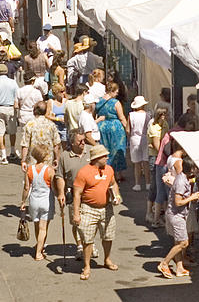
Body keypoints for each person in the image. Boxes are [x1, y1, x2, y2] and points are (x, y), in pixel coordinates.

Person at [72, 145, 122, 280]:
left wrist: (116, 196)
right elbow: (77, 194)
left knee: (108, 236)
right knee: (87, 239)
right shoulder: (83, 172)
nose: (107, 158)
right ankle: (87, 265)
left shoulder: (109, 170)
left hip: (106, 208)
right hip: (88, 208)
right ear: (96, 158)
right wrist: (76, 214)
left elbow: (113, 184)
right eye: (104, 156)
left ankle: (107, 259)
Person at [158, 158, 199, 279]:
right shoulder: (181, 181)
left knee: (177, 242)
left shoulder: (183, 177)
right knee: (183, 243)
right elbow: (178, 202)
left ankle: (180, 268)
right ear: (191, 169)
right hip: (177, 216)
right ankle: (164, 263)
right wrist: (191, 198)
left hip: (176, 215)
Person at [54, 129, 92, 259]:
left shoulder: (91, 151)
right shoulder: (65, 156)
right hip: (73, 193)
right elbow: (60, 176)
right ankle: (80, 246)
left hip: (90, 193)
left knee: (92, 222)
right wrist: (61, 194)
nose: (83, 143)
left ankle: (90, 244)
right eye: (80, 141)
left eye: (84, 140)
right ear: (72, 143)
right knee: (77, 221)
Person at [19, 144, 57, 261]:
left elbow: (26, 187)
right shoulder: (50, 170)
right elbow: (54, 188)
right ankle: (39, 252)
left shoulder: (30, 169)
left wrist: (23, 201)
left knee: (37, 225)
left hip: (34, 200)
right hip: (46, 200)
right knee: (43, 228)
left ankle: (39, 246)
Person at [20, 99, 61, 171]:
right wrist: (57, 159)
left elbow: (25, 144)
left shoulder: (30, 125)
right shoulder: (51, 125)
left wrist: (23, 160)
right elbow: (56, 144)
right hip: (48, 161)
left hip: (32, 161)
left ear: (35, 111)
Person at [96, 82, 128, 174]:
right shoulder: (116, 102)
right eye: (116, 92)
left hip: (102, 126)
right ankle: (117, 173)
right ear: (112, 91)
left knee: (105, 149)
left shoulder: (99, 101)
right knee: (117, 149)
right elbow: (121, 117)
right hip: (115, 127)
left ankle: (105, 170)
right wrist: (127, 128)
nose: (117, 94)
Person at [146, 106, 168, 224]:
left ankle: (159, 213)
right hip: (155, 157)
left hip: (162, 156)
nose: (164, 117)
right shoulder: (154, 128)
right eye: (162, 115)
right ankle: (150, 213)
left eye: (165, 114)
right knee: (155, 186)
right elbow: (157, 146)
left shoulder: (165, 125)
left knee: (161, 186)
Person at [127, 96, 151, 192]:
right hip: (145, 138)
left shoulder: (131, 115)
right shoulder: (148, 115)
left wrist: (130, 137)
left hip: (134, 138)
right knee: (146, 161)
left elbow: (128, 129)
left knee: (137, 163)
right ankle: (148, 183)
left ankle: (137, 184)